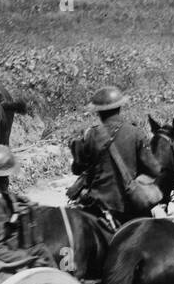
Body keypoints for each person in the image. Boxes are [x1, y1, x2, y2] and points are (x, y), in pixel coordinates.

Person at [67, 85, 158, 226]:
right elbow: (154, 170)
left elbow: (77, 169)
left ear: (98, 112)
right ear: (120, 108)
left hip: (97, 203)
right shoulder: (136, 133)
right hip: (128, 205)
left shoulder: (90, 134)